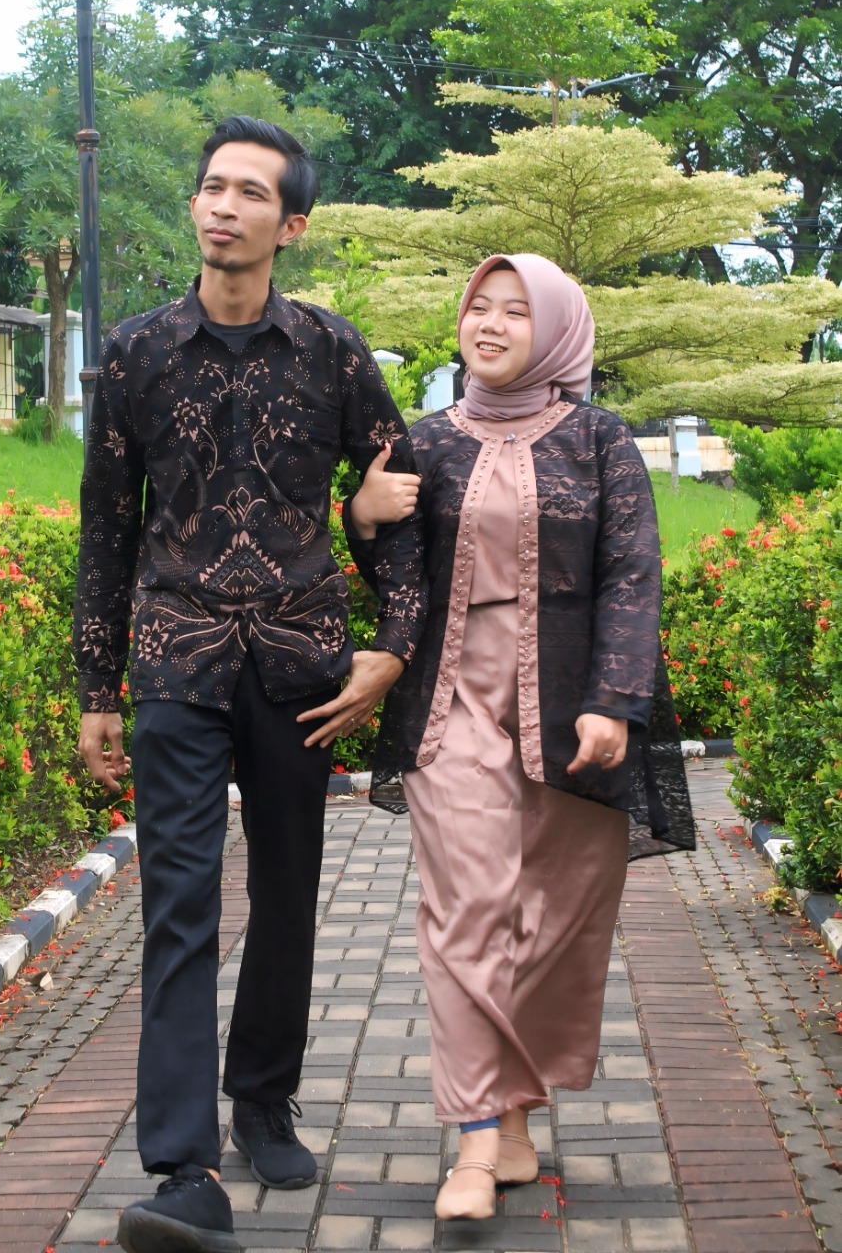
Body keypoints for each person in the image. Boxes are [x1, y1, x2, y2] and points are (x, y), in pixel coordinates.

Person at [74, 116, 427, 1253]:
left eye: (250, 193)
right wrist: (95, 688)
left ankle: (263, 1097)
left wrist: (392, 644)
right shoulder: (136, 351)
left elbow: (401, 500)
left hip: (300, 663)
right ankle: (183, 1168)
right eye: (211, 187)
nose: (223, 206)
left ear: (292, 224)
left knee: (285, 891)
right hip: (174, 661)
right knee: (177, 905)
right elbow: (103, 530)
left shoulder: (331, 351)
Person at [345, 253, 695, 1222]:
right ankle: (471, 1141)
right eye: (478, 307)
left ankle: (512, 1110)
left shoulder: (599, 440)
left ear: (556, 331)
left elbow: (633, 573)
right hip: (451, 694)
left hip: (568, 698)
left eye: (515, 311)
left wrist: (614, 698)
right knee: (469, 907)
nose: (489, 325)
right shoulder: (423, 442)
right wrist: (362, 519)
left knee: (559, 916)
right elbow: (399, 580)